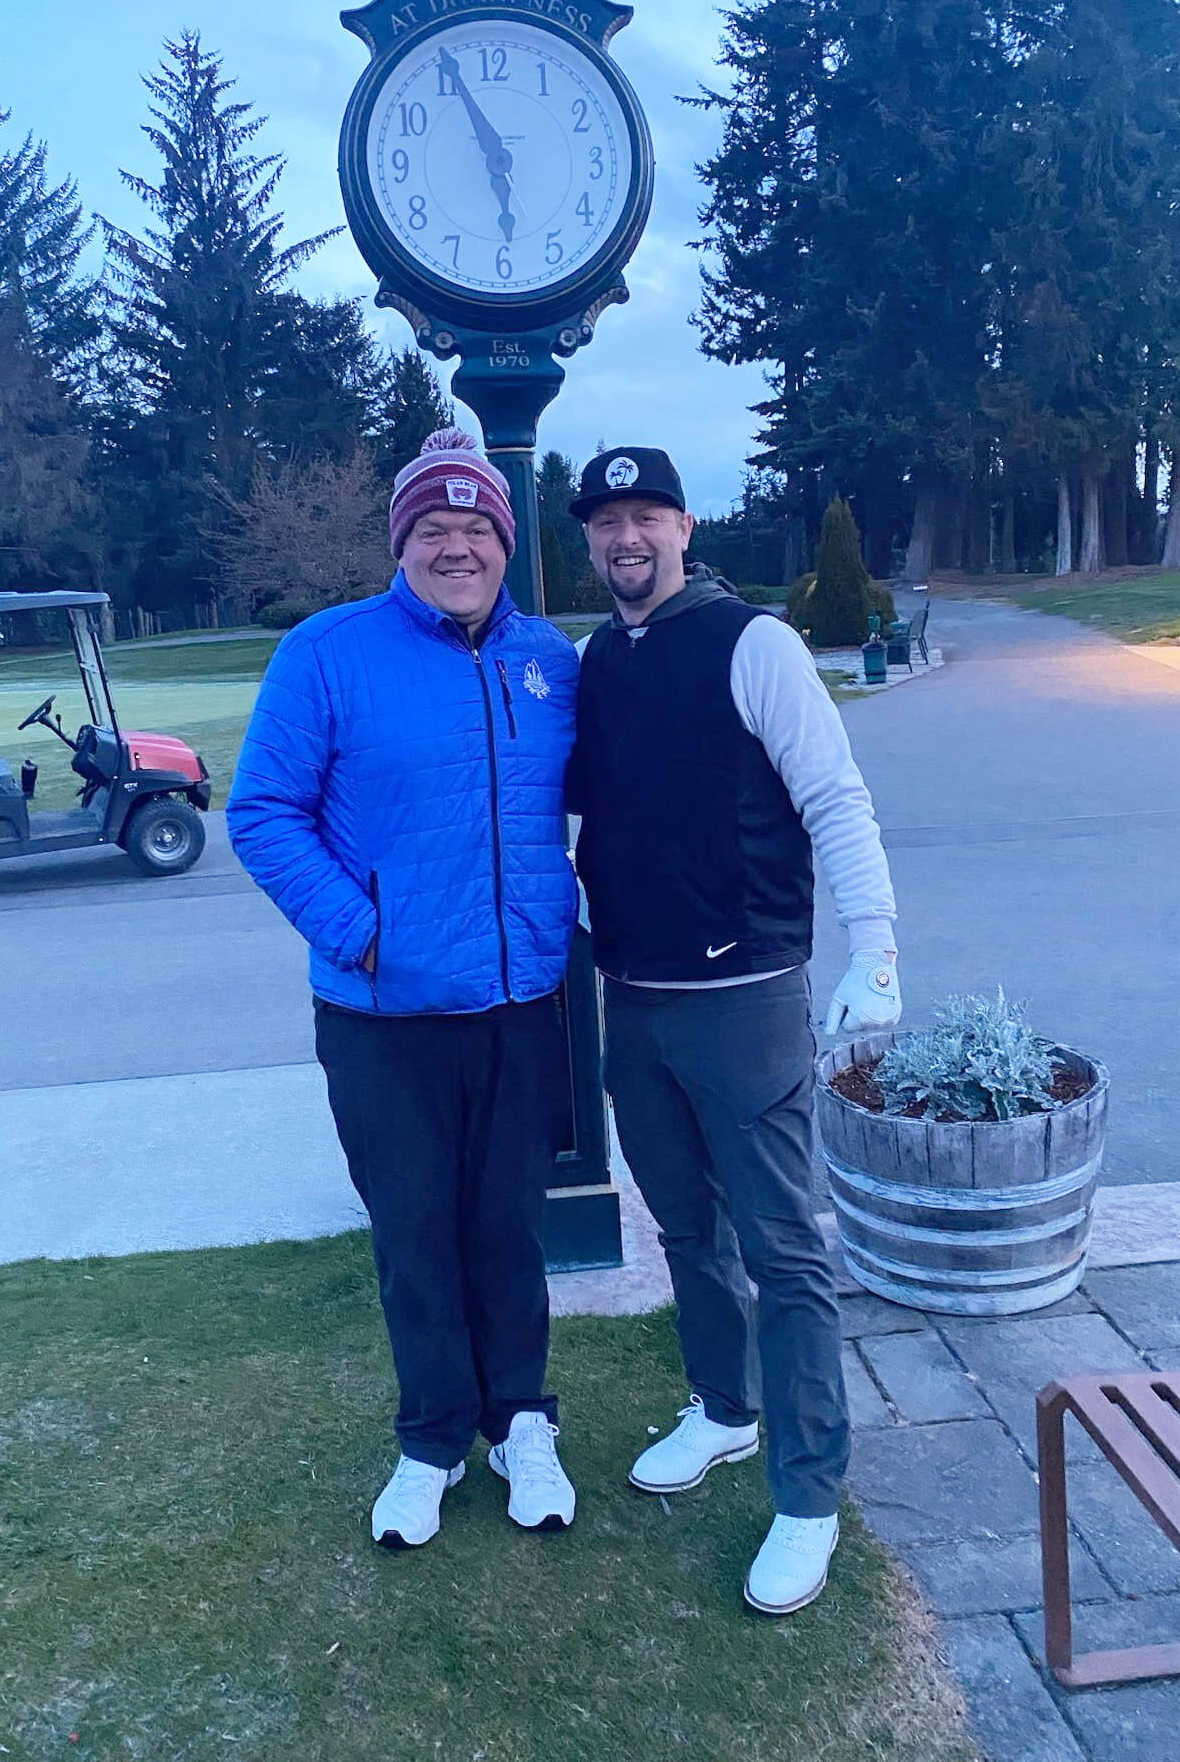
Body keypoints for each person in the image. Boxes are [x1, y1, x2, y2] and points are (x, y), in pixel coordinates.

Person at [228, 428, 580, 1551]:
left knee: (508, 1228)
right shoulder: (328, 653)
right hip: (385, 1018)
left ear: (505, 544)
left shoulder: (549, 660)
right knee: (415, 1232)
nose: (458, 546)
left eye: (478, 529)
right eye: (435, 529)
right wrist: (361, 933)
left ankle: (522, 1415)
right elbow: (261, 812)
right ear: (403, 544)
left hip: (523, 1003)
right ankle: (432, 1433)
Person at [567, 446, 902, 1616]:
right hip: (635, 996)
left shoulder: (754, 643)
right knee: (683, 1224)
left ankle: (807, 1495)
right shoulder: (597, 659)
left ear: (683, 524)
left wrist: (879, 952)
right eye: (607, 519)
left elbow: (834, 797)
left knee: (785, 1248)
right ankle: (722, 1403)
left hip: (747, 998)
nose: (627, 537)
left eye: (646, 514)